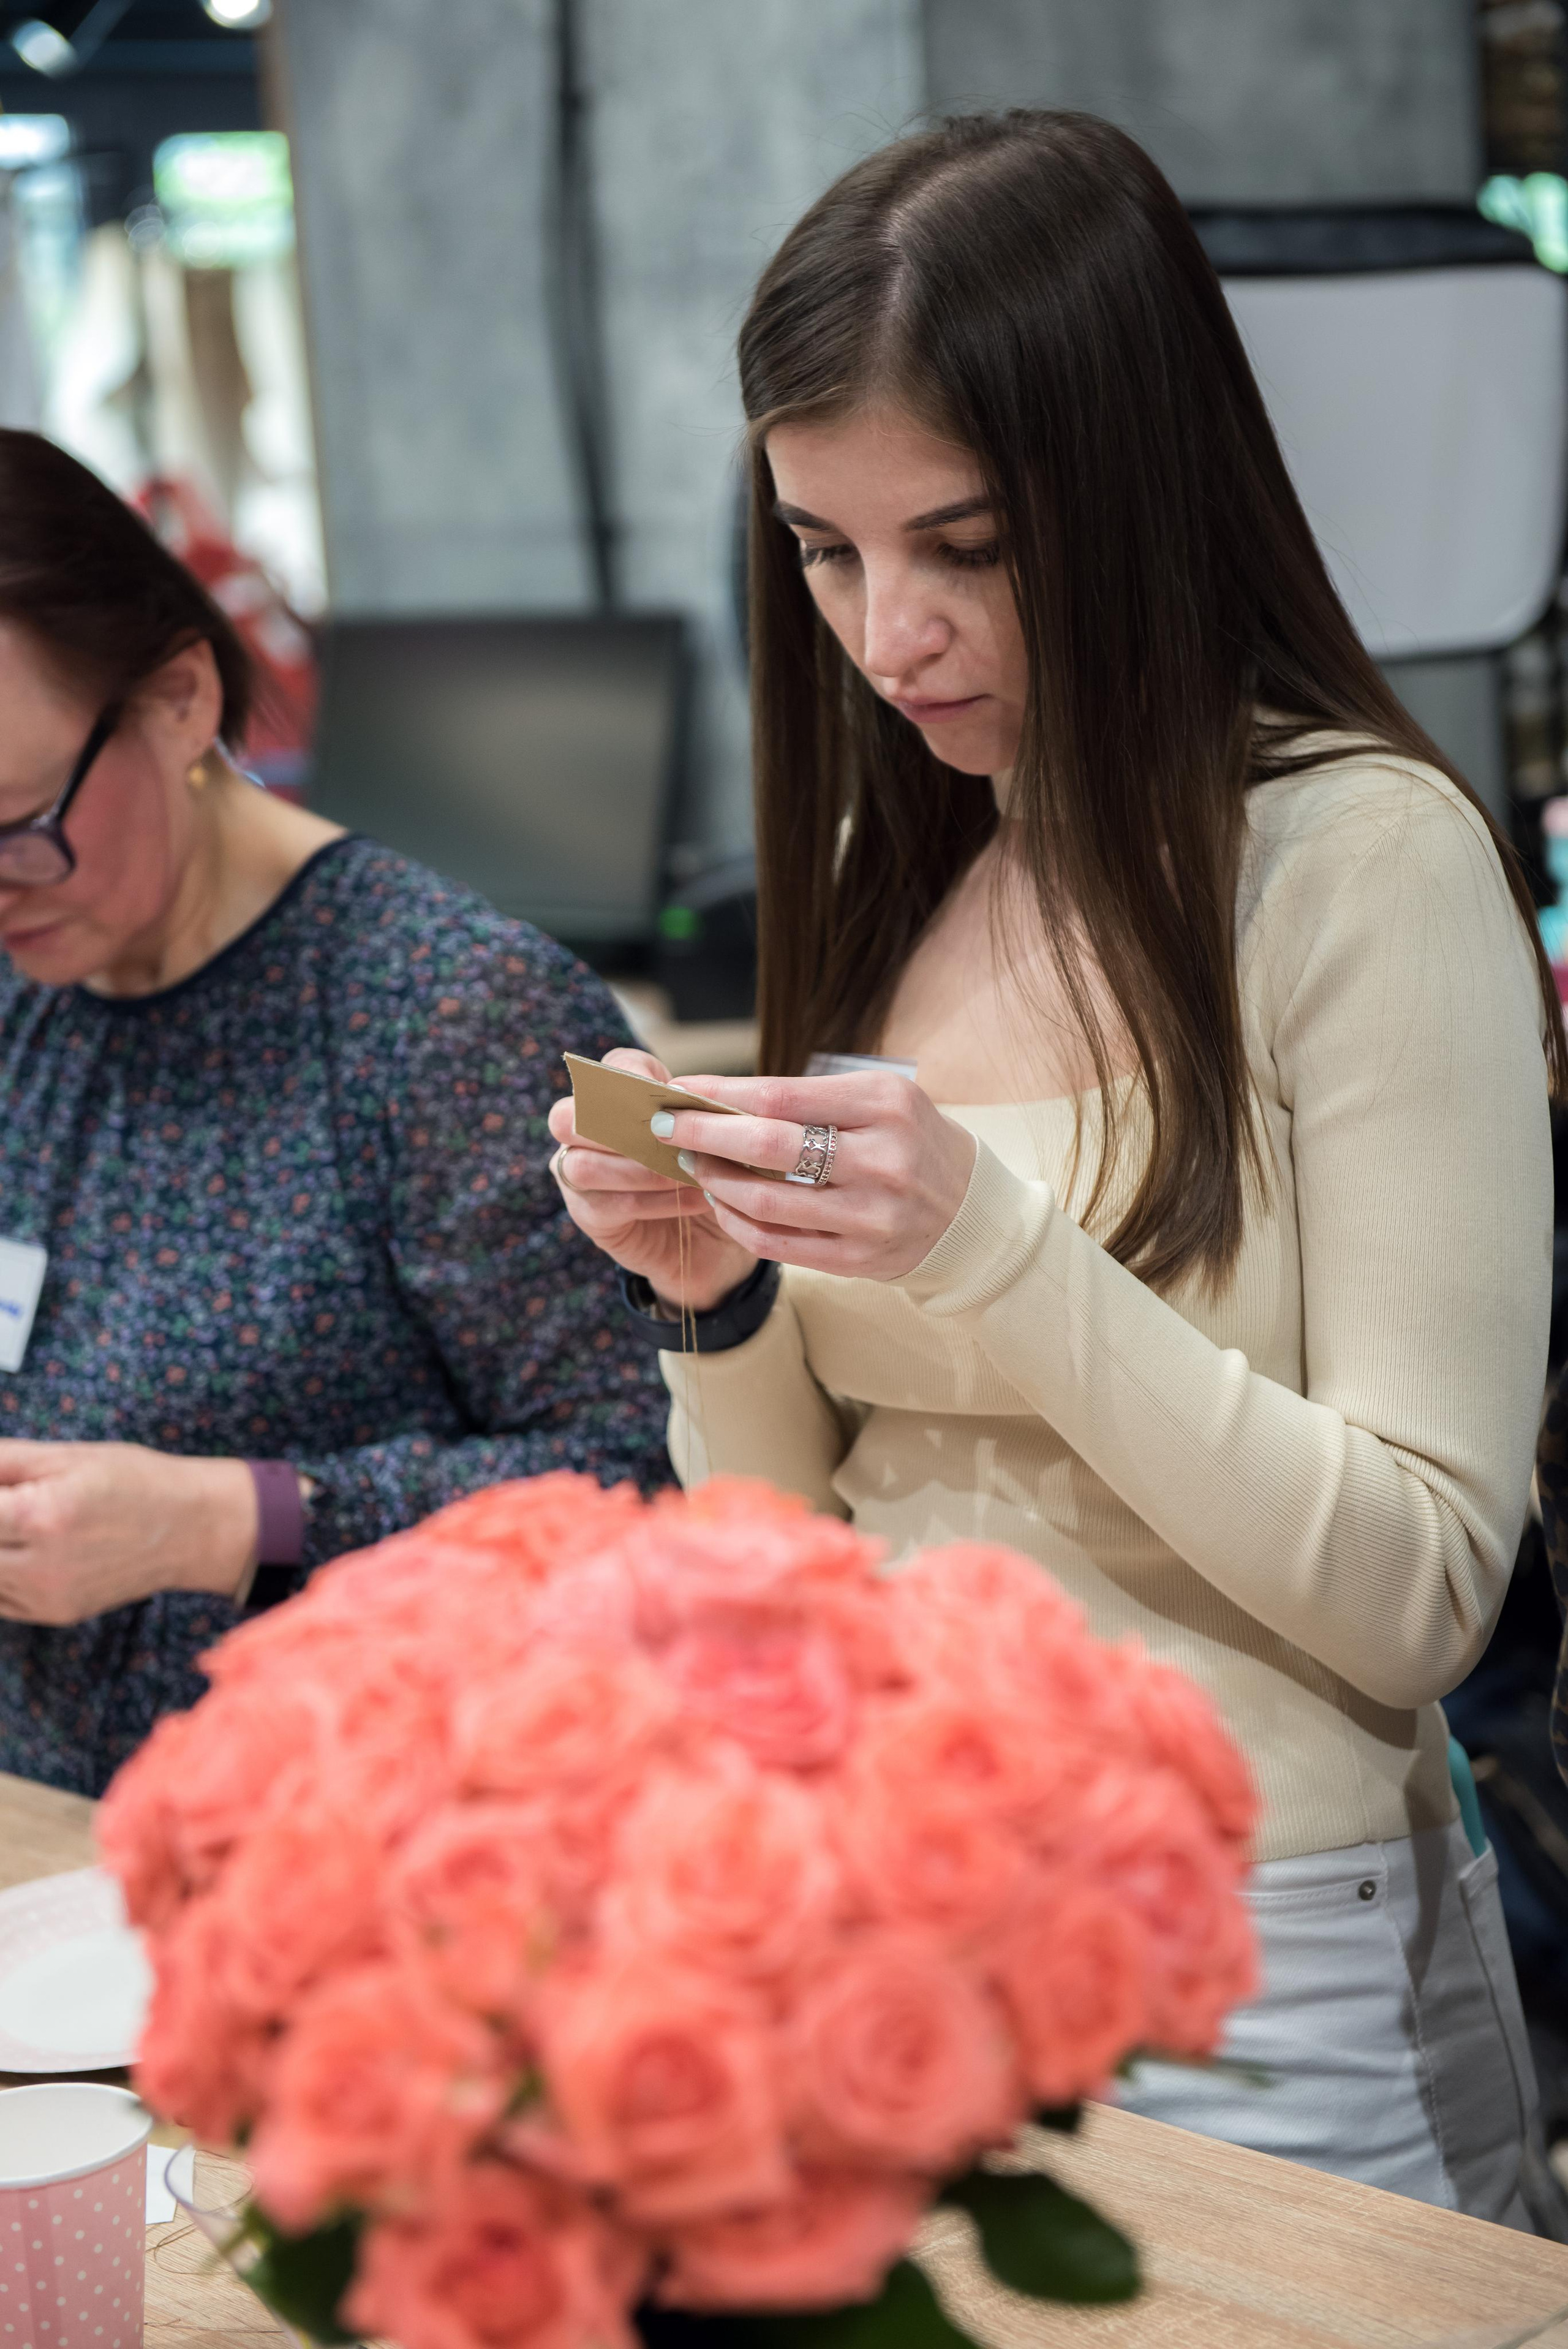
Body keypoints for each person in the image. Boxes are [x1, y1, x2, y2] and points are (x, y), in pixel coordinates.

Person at [549, 112, 1559, 2228]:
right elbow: (797, 1544)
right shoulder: (899, 861)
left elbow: (1420, 1594)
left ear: (1132, 493)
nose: (889, 633)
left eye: (964, 545)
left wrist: (997, 1241)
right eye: (826, 551)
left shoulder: (1360, 859)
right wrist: (715, 1299)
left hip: (1244, 1946)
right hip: (887, 1913)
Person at [0, 429, 668, 1799]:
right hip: (55, 1841)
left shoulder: (459, 1011)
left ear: (182, 699)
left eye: (14, 824)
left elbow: (649, 1488)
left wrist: (226, 1519)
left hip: (380, 1844)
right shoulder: (35, 983)